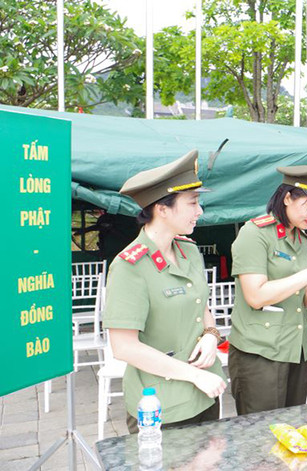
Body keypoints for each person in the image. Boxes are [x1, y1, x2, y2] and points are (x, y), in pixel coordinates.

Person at [103, 150, 227, 432]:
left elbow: (201, 307)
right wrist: (193, 376)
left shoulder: (189, 251)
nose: (200, 212)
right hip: (161, 405)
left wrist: (211, 336)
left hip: (205, 393)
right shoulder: (130, 266)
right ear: (162, 209)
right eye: (193, 203)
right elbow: (124, 347)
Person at [228, 165, 307, 415]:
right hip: (261, 351)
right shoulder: (256, 234)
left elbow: (300, 298)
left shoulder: (300, 238)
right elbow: (256, 296)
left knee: (292, 427)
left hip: (297, 348)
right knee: (260, 433)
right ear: (287, 198)